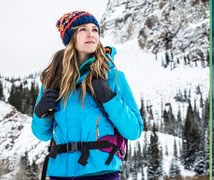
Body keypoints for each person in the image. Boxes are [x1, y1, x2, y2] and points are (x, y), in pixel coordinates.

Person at [31, 11, 143, 180]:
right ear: (71, 37)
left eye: (95, 29)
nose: (91, 34)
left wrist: (110, 99)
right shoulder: (52, 79)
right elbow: (42, 134)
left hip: (101, 173)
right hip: (59, 174)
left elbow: (133, 130)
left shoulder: (113, 77)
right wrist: (40, 114)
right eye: (83, 29)